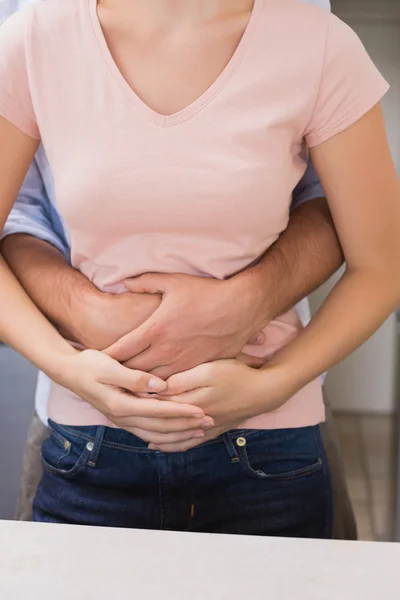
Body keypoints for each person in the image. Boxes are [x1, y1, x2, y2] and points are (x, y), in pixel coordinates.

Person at [0, 0, 399, 537]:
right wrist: (71, 369)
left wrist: (272, 386)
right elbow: (18, 222)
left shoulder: (320, 43)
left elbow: (381, 264)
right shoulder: (35, 38)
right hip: (91, 443)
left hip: (266, 448)